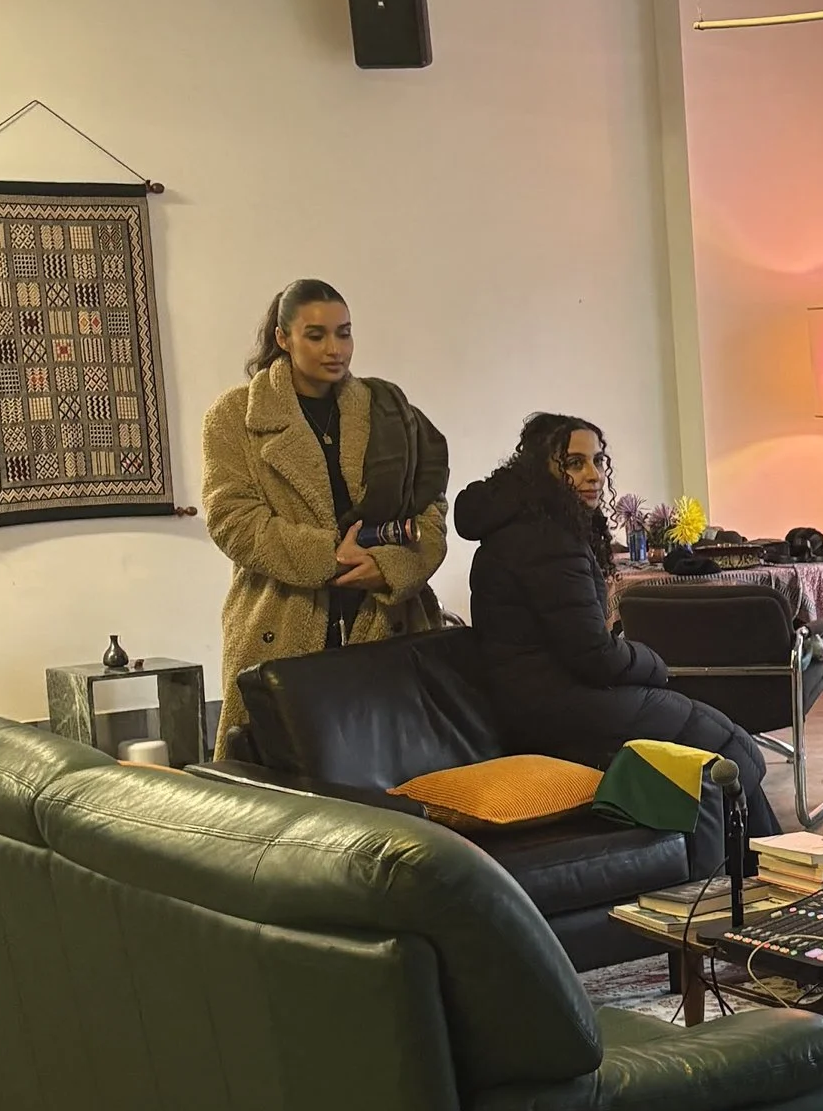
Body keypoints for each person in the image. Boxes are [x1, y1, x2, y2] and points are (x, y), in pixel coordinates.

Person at [455, 413, 779, 845]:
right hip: (555, 707)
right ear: (541, 469)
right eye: (574, 463)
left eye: (598, 460)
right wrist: (655, 664)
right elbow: (594, 656)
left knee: (720, 740)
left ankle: (756, 864)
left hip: (543, 699)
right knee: (726, 748)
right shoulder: (546, 540)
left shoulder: (522, 529)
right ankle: (762, 868)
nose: (593, 475)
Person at [202, 277, 448, 761]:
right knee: (281, 789)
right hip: (282, 618)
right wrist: (327, 556)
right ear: (282, 338)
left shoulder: (390, 412)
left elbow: (431, 510)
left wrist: (392, 567)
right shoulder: (235, 416)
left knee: (392, 785)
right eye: (316, 335)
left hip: (384, 621)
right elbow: (231, 517)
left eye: (344, 333)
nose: (335, 349)